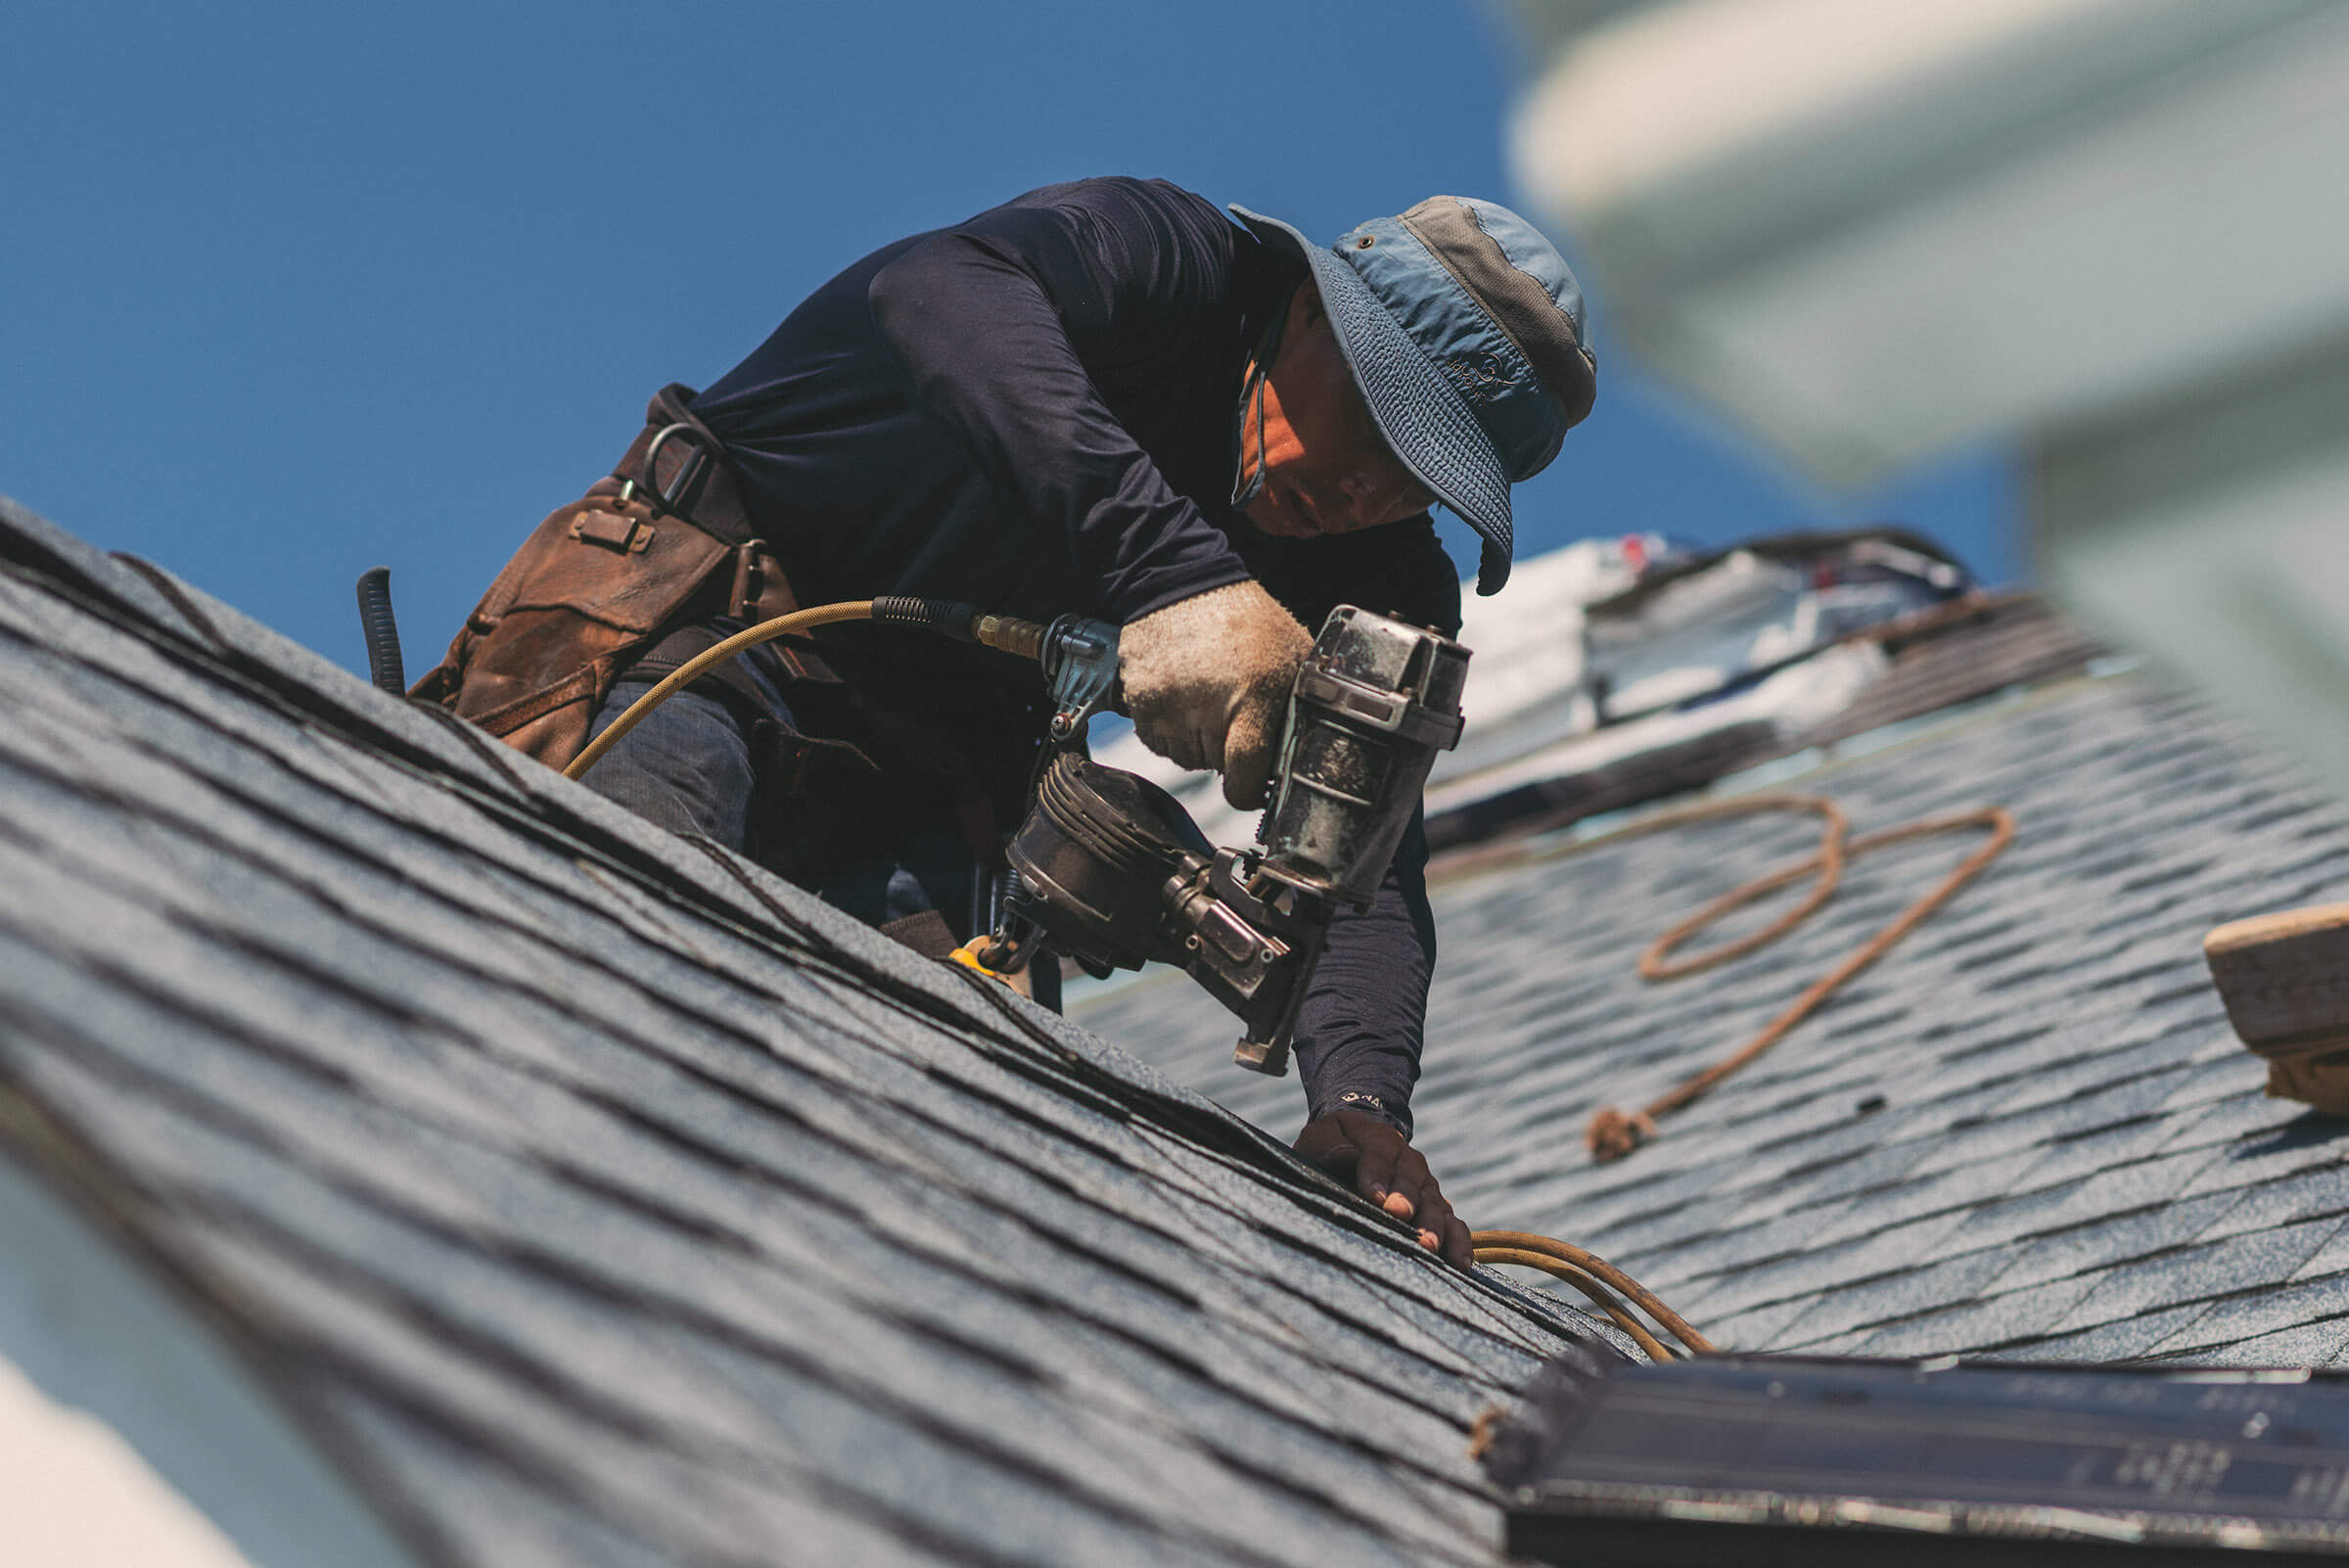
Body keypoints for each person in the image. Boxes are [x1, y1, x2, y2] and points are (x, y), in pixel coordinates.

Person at [417, 178, 1596, 1271]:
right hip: (708, 625)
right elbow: (933, 294)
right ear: (1305, 313)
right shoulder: (1166, 262)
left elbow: (1364, 869)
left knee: (976, 1173)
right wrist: (1176, 574)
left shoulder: (1380, 580)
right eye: (1377, 430)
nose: (1368, 496)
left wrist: (1361, 1101)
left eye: (1421, 482)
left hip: (940, 785)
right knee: (607, 956)